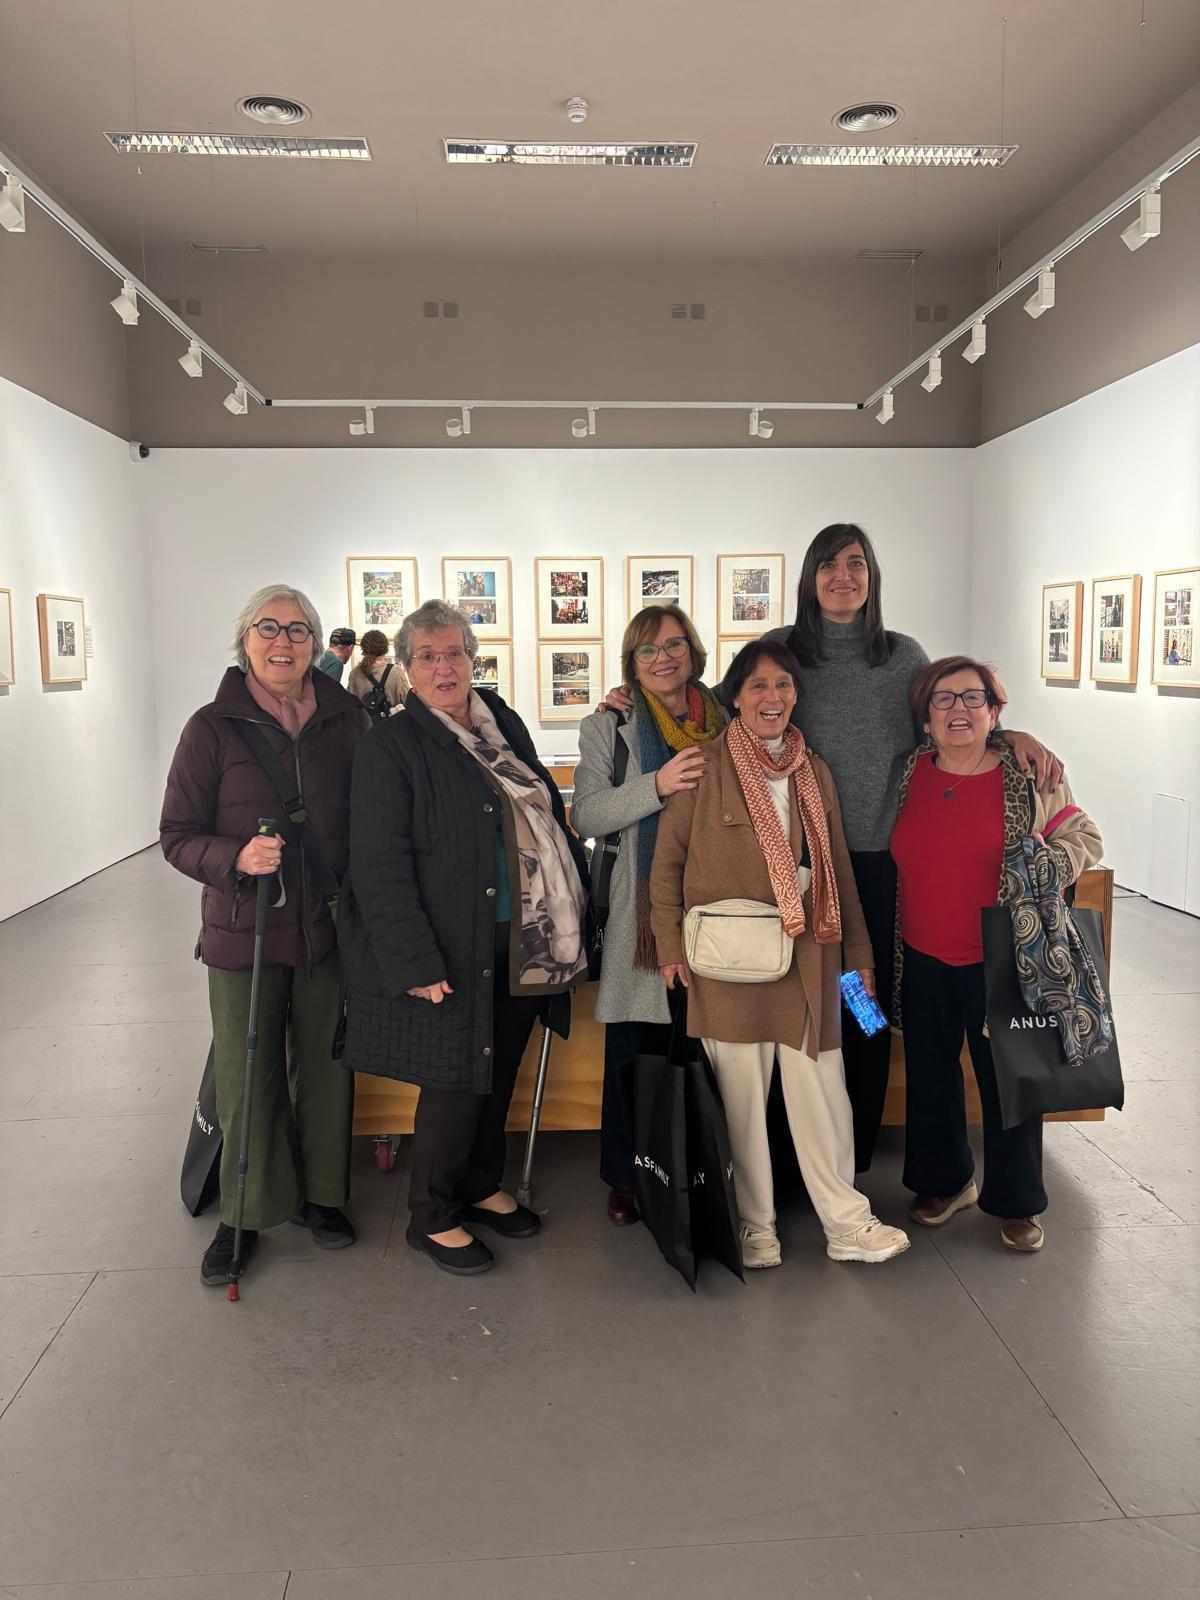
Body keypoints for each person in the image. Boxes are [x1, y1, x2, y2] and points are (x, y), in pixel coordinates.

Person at [600, 525, 1060, 1173]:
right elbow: (733, 727)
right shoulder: (781, 653)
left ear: (872, 576)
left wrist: (1015, 738)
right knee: (794, 1011)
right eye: (828, 565)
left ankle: (852, 1157)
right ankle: (788, 1165)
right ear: (808, 577)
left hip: (874, 875)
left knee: (862, 1012)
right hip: (793, 872)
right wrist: (631, 698)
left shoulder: (902, 657)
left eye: (856, 564)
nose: (842, 577)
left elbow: (956, 719)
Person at [339, 599, 589, 1277]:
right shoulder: (390, 746)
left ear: (472, 659)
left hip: (520, 935)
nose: (444, 666)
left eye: (455, 653)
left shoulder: (498, 720)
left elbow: (538, 799)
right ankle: (433, 1214)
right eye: (428, 656)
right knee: (453, 1080)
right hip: (451, 940)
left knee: (497, 1068)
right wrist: (413, 957)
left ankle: (480, 1184)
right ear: (407, 669)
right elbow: (378, 863)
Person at [649, 639, 910, 1270]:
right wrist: (665, 946)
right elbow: (667, 866)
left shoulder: (812, 769)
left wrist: (859, 954)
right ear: (735, 696)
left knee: (824, 1089)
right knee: (739, 1098)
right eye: (759, 686)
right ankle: (752, 1225)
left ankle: (846, 1221)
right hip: (729, 961)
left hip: (813, 959)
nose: (773, 698)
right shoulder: (704, 768)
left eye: (784, 686)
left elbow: (837, 869)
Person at [160, 585, 368, 1286]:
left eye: (299, 630)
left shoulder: (349, 719)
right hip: (243, 929)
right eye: (269, 628)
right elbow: (176, 837)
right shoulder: (210, 728)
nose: (285, 642)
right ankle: (245, 1214)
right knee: (246, 1072)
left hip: (327, 929)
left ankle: (323, 1196)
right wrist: (235, 858)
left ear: (315, 642)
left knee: (327, 1066)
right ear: (244, 639)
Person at [891, 655, 1103, 1254]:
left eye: (972, 698)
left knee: (1010, 1081)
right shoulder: (909, 772)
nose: (958, 710)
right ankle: (944, 1182)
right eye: (944, 700)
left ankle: (1015, 1202)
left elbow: (1084, 835)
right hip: (922, 953)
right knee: (931, 1075)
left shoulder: (1031, 773)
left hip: (1005, 956)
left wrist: (1048, 863)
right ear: (925, 719)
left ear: (995, 711)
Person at [571, 605, 725, 1226]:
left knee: (706, 1046)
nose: (662, 658)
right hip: (642, 914)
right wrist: (657, 785)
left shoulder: (728, 717)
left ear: (692, 649)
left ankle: (700, 1164)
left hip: (717, 909)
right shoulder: (609, 725)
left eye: (673, 644)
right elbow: (586, 815)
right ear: (631, 664)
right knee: (636, 1048)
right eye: (646, 650)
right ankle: (628, 1176)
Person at [347, 628, 408, 719]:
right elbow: (408, 700)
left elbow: (350, 703)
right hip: (390, 727)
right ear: (385, 648)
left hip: (364, 727)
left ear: (363, 649)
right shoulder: (396, 671)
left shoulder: (354, 673)